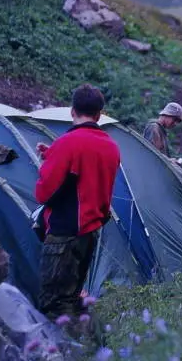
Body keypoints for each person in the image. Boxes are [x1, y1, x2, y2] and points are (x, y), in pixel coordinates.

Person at [34, 84, 121, 321]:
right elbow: (85, 174)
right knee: (72, 299)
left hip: (64, 235)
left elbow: (43, 194)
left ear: (72, 111)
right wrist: (53, 156)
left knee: (54, 306)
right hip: (89, 234)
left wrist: (48, 164)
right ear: (99, 115)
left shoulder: (68, 143)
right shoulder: (111, 147)